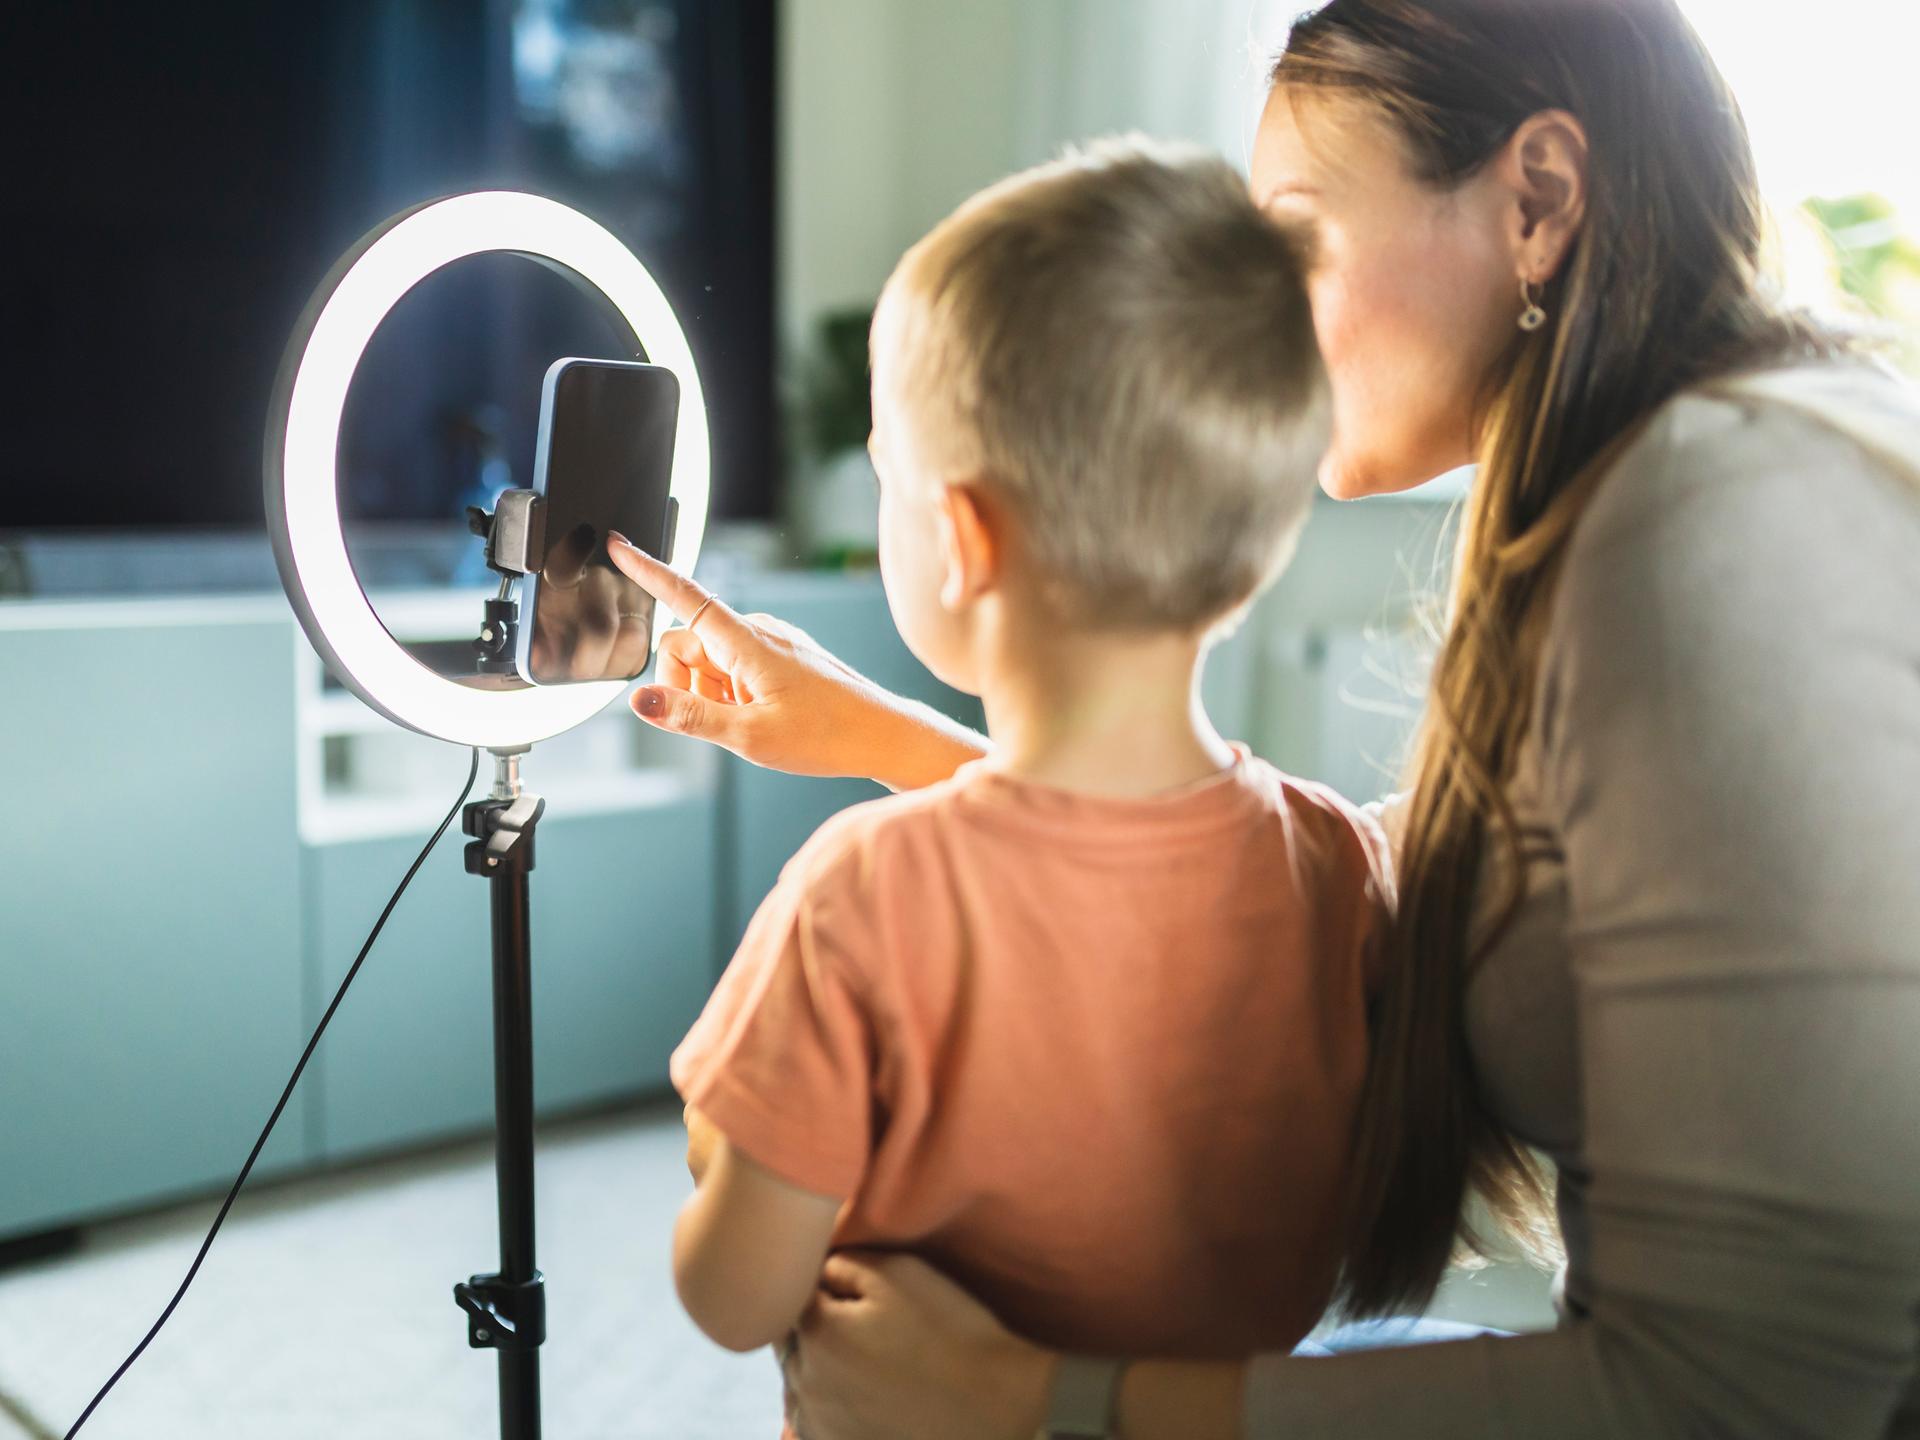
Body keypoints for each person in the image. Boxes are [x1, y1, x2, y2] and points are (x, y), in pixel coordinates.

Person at [608, 0, 1920, 1434]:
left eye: (1290, 240)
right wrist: (876, 733)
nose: (1253, 320)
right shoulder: (1645, 510)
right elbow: (1306, 894)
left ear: (1536, 200)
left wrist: (1044, 1398)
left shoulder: (1717, 528)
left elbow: (1758, 1393)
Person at [653, 139, 1397, 1419]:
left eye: (887, 476)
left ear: (960, 540)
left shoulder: (861, 896)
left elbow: (732, 1300)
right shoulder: (1336, 862)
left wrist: (725, 1144)